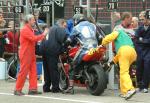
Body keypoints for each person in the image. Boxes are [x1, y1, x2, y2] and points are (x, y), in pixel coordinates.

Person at [14, 14, 48, 96]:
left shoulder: (29, 29)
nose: (34, 21)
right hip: (26, 53)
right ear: (28, 21)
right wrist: (43, 34)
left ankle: (33, 89)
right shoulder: (25, 29)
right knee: (23, 72)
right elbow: (33, 38)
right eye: (33, 20)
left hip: (30, 53)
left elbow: (34, 38)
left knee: (33, 71)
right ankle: (17, 89)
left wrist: (41, 35)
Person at [63, 14, 98, 93]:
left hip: (85, 49)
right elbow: (99, 37)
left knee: (72, 65)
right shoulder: (93, 25)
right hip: (96, 48)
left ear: (76, 20)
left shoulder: (76, 28)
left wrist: (64, 45)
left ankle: (71, 87)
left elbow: (69, 40)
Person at [101, 29, 137, 100]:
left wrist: (103, 43)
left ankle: (130, 89)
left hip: (124, 51)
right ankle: (124, 92)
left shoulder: (118, 31)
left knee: (124, 72)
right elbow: (118, 56)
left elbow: (110, 37)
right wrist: (110, 63)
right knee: (123, 72)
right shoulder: (126, 36)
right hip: (133, 53)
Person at [42, 19, 68, 93]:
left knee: (47, 70)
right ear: (62, 23)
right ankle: (55, 88)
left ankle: (46, 87)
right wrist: (64, 49)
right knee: (53, 70)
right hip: (52, 51)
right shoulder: (59, 28)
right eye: (65, 26)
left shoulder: (50, 28)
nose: (65, 28)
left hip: (44, 50)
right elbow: (64, 39)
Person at [135, 11, 150, 93]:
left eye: (143, 19)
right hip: (140, 50)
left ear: (148, 19)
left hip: (148, 51)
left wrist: (142, 40)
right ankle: (139, 86)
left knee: (147, 68)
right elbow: (136, 39)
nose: (141, 21)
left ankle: (145, 87)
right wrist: (145, 41)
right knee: (139, 68)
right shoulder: (140, 28)